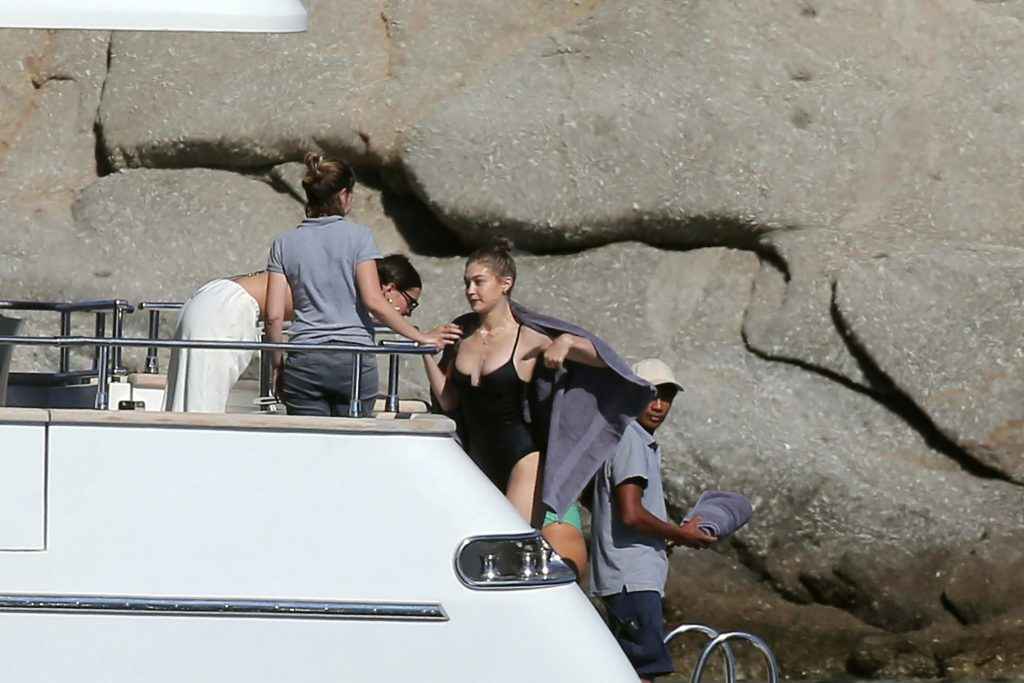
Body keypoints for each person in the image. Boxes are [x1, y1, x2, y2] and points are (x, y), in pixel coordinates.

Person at [424, 238, 627, 575]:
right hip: (477, 455)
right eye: (467, 282)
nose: (470, 290)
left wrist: (567, 343)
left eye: (479, 281)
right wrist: (425, 351)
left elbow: (605, 361)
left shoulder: (529, 338)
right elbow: (448, 401)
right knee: (476, 549)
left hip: (523, 457)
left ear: (505, 283)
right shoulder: (461, 334)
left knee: (507, 546)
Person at [265, 153, 458, 417]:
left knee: (308, 440)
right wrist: (419, 337)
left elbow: (274, 316)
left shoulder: (284, 243)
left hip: (305, 359)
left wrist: (277, 366)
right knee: (352, 439)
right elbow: (374, 301)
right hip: (353, 361)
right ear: (344, 195)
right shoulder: (360, 238)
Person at [589, 358, 717, 683]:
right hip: (631, 578)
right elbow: (631, 514)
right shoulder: (631, 439)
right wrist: (682, 534)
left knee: (627, 669)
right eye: (651, 395)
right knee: (643, 671)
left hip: (626, 577)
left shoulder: (629, 437)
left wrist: (664, 536)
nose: (659, 406)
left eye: (667, 397)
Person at [163, 256, 424, 413]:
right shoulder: (349, 288)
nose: (407, 312)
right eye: (410, 303)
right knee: (201, 405)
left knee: (189, 400)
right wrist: (421, 337)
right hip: (226, 309)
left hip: (217, 300)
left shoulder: (344, 279)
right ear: (389, 288)